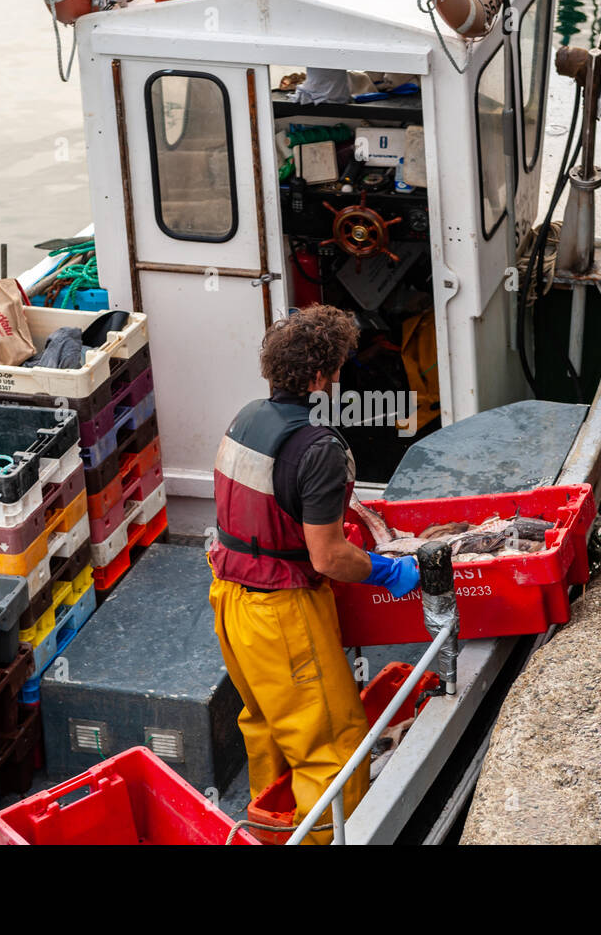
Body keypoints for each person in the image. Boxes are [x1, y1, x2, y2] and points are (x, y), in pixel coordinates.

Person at [208, 305, 420, 844]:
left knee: (266, 724)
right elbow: (327, 557)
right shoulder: (320, 447)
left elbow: (265, 510)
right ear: (323, 375)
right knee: (331, 745)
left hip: (231, 598)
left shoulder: (246, 417)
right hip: (281, 613)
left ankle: (270, 828)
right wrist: (390, 570)